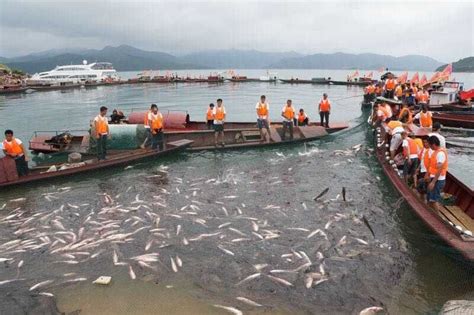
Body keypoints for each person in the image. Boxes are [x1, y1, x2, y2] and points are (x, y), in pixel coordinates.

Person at [426, 136, 448, 212]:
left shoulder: (440, 154)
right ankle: (428, 211)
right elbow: (433, 166)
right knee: (430, 197)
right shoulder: (436, 152)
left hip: (438, 180)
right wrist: (429, 175)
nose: (429, 146)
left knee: (433, 200)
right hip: (434, 179)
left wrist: (433, 182)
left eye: (429, 145)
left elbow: (439, 169)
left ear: (434, 144)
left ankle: (438, 216)